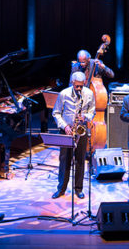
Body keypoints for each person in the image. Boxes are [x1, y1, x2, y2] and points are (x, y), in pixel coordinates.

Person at [51, 71, 95, 199]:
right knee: (64, 160)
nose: (79, 89)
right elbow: (56, 113)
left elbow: (92, 111)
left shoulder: (89, 93)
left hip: (81, 129)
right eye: (77, 86)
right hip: (66, 130)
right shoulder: (63, 94)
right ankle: (61, 188)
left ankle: (78, 189)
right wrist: (64, 126)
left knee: (80, 160)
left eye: (81, 86)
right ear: (72, 83)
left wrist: (85, 117)